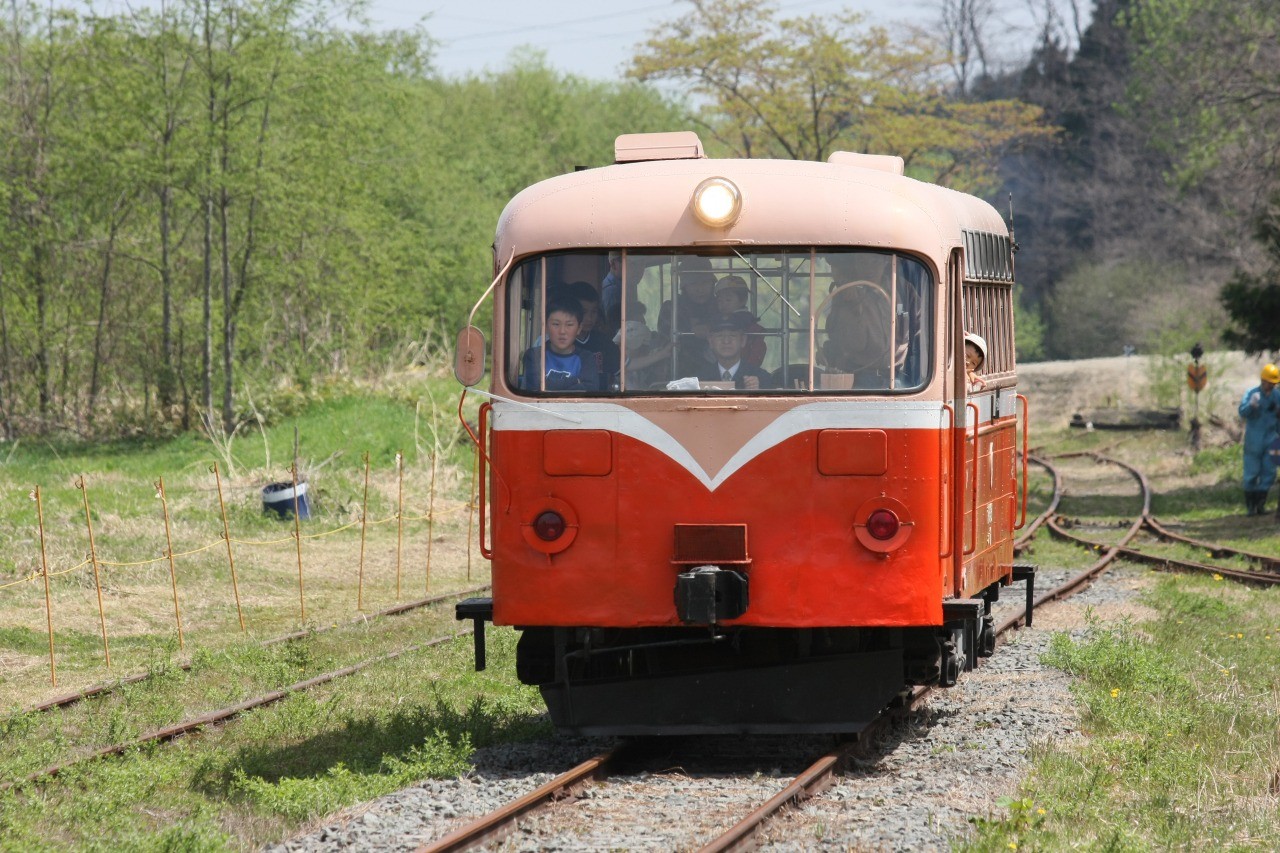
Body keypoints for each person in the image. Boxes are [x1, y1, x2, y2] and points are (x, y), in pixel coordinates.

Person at [519, 298, 600, 392]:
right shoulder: (534, 355)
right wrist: (575, 381)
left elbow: (589, 390)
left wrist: (549, 383)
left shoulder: (586, 358)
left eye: (569, 325)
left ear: (579, 328)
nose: (562, 331)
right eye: (556, 324)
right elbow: (535, 386)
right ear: (545, 326)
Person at [1238, 363, 1280, 515]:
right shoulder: (1252, 393)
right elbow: (1242, 412)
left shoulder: (1277, 396)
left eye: (1274, 383)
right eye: (1270, 382)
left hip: (1272, 439)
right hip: (1254, 440)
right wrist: (1251, 406)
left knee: (1269, 472)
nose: (1272, 385)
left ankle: (1261, 505)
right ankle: (1250, 507)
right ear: (1263, 380)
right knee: (1251, 473)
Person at [696, 315, 774, 390]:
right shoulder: (698, 379)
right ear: (710, 341)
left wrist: (757, 393)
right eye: (719, 336)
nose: (726, 341)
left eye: (732, 335)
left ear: (743, 340)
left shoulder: (762, 378)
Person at [566, 281, 619, 389]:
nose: (589, 318)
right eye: (584, 312)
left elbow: (621, 369)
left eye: (593, 312)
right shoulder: (559, 342)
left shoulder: (604, 342)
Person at [713, 275, 766, 367]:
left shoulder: (741, 319)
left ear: (743, 300)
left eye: (728, 300)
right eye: (719, 301)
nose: (723, 304)